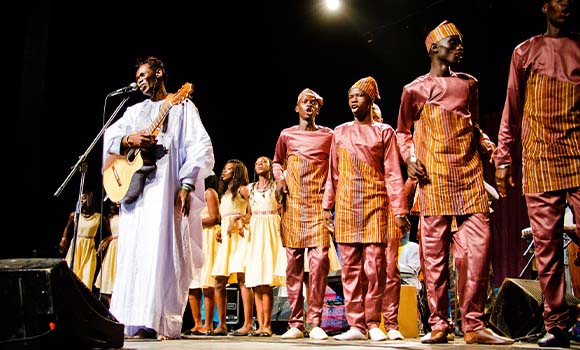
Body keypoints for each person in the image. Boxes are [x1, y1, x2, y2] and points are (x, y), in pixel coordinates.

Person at [396, 21, 514, 345]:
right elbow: (403, 131)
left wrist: (489, 148)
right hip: (433, 180)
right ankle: (439, 324)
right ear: (433, 48)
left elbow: (473, 126)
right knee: (432, 257)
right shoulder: (414, 89)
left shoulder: (469, 84)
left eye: (461, 42)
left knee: (478, 250)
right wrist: (409, 157)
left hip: (468, 176)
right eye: (454, 42)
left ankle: (474, 325)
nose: (460, 47)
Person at [102, 56, 215, 340]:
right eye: (137, 77)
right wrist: (130, 140)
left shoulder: (183, 107)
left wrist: (187, 184)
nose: (140, 80)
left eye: (144, 74)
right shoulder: (133, 112)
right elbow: (110, 139)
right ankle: (132, 321)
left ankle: (162, 321)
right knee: (134, 257)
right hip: (136, 195)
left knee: (164, 252)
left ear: (160, 73)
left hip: (166, 191)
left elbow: (199, 146)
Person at [494, 0, 579, 347]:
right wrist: (503, 158)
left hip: (577, 152)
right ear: (544, 6)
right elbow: (512, 106)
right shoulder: (525, 51)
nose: (566, 5)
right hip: (540, 156)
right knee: (545, 246)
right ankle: (556, 324)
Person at [322, 76, 410, 341]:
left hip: (375, 204)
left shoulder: (385, 132)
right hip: (347, 207)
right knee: (350, 269)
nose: (353, 99)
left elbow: (393, 173)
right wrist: (328, 205)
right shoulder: (340, 131)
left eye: (358, 95)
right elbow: (333, 173)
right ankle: (356, 326)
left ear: (371, 99)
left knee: (375, 268)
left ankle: (374, 323)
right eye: (350, 95)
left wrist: (399, 210)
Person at [272, 88, 334, 340]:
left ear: (318, 108)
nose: (309, 106)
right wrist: (279, 180)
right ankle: (296, 324)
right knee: (293, 264)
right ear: (296, 107)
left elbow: (335, 168)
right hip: (294, 204)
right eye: (304, 102)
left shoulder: (328, 135)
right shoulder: (286, 135)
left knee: (319, 263)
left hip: (319, 204)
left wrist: (330, 202)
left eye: (313, 103)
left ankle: (315, 321)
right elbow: (277, 162)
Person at [371, 103, 406, 341]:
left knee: (391, 268)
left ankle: (391, 323)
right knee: (369, 269)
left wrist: (400, 209)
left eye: (377, 116)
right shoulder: (351, 136)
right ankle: (367, 323)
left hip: (389, 208)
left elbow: (399, 174)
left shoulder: (388, 135)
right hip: (364, 210)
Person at [211, 159, 254, 336]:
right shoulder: (224, 193)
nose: (224, 172)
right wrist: (221, 228)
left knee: (243, 280)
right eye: (224, 168)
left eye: (229, 169)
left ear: (236, 172)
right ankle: (221, 324)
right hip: (227, 238)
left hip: (239, 236)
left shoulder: (243, 190)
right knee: (219, 281)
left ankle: (248, 323)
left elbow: (252, 213)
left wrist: (238, 220)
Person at [245, 156, 286, 337]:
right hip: (255, 230)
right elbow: (249, 212)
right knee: (256, 280)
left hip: (270, 229)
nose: (259, 164)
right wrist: (239, 221)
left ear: (270, 165)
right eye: (257, 162)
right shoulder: (250, 189)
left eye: (263, 161)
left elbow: (283, 207)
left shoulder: (275, 186)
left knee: (266, 279)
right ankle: (259, 325)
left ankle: (267, 325)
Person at [183, 174, 221, 336]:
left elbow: (214, 218)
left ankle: (208, 324)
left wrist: (193, 222)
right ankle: (197, 324)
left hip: (206, 238)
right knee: (193, 285)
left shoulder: (209, 192)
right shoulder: (191, 195)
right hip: (193, 239)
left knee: (207, 284)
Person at [59, 191, 103, 291]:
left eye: (83, 198)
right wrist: (64, 239)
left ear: (89, 200)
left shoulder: (98, 217)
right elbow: (67, 227)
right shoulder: (75, 215)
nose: (81, 200)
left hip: (89, 250)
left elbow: (111, 232)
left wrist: (106, 241)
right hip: (76, 248)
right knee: (72, 275)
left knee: (86, 279)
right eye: (80, 198)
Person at [94, 200, 120, 308]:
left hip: (124, 245)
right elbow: (113, 234)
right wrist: (106, 240)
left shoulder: (129, 214)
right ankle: (111, 308)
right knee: (110, 279)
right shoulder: (111, 217)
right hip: (114, 248)